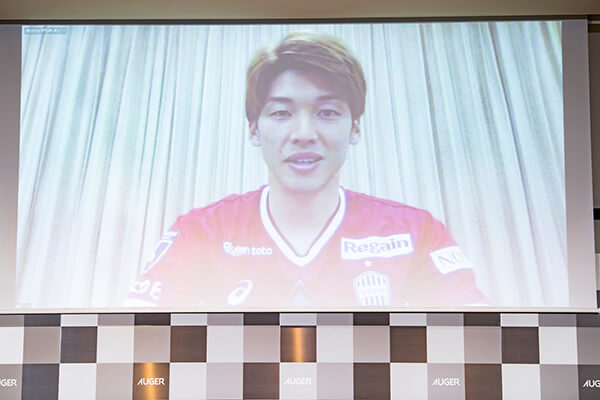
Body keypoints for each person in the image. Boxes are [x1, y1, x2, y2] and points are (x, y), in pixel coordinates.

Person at [125, 31, 488, 308]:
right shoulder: (200, 232)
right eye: (281, 113)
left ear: (355, 128)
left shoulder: (416, 232)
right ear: (254, 130)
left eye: (327, 112)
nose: (303, 134)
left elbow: (475, 346)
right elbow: (137, 341)